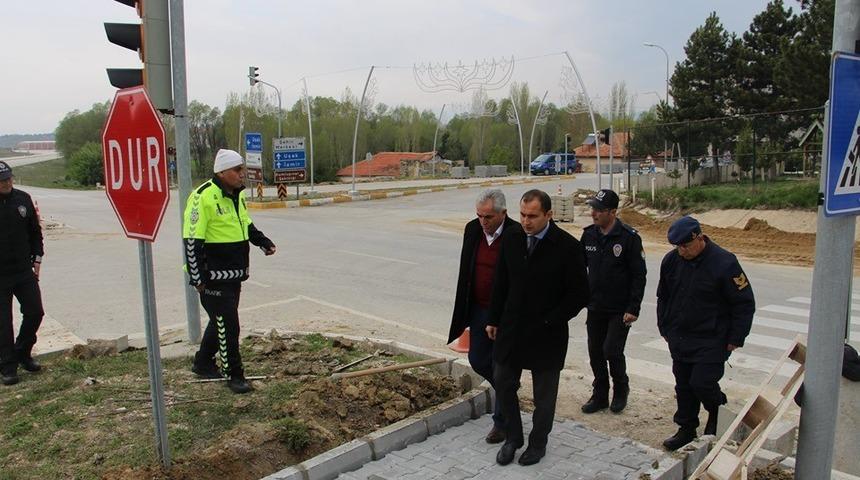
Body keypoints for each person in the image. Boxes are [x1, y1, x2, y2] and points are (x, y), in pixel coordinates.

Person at [487, 189, 589, 466]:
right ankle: (513, 438)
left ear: (548, 215)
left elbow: (580, 295)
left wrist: (550, 320)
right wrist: (493, 318)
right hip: (512, 329)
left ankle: (538, 443)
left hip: (547, 333)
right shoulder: (512, 237)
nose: (526, 221)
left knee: (544, 396)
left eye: (532, 216)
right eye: (522, 215)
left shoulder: (567, 247)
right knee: (503, 381)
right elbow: (501, 282)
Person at [657, 216, 755, 450]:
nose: (682, 251)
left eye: (686, 246)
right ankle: (686, 428)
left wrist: (735, 338)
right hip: (680, 336)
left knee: (702, 383)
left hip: (712, 338)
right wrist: (664, 326)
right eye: (677, 246)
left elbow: (744, 303)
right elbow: (664, 296)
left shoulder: (724, 263)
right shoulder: (671, 261)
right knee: (683, 385)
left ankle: (716, 409)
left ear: (699, 238)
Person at [183, 149, 276, 394]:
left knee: (220, 321)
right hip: (211, 277)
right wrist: (197, 278)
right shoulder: (202, 197)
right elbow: (192, 241)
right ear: (222, 172)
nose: (241, 174)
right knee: (230, 326)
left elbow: (245, 224)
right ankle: (234, 374)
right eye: (237, 170)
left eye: (241, 169)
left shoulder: (236, 196)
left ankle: (203, 363)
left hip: (233, 275)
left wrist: (262, 241)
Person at [448, 189, 518, 444]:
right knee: (478, 360)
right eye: (479, 216)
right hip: (478, 309)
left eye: (488, 216)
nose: (483, 222)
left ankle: (501, 423)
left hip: (504, 314)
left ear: (503, 213)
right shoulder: (472, 230)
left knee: (502, 366)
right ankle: (508, 389)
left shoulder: (515, 234)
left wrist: (502, 317)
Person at [580, 189, 646, 414]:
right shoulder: (589, 235)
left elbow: (639, 275)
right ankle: (599, 395)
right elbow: (579, 269)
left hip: (620, 309)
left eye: (599, 210)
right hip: (596, 306)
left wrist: (633, 307)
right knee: (595, 352)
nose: (593, 214)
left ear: (612, 212)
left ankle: (621, 389)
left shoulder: (629, 238)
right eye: (593, 209)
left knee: (612, 351)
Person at [0, 161, 45, 386]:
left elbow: (35, 232)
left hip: (22, 271)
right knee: (3, 323)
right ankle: (8, 366)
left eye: (8, 178)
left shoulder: (23, 199)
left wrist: (37, 257)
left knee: (35, 312)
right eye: (2, 181)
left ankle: (23, 352)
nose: (7, 183)